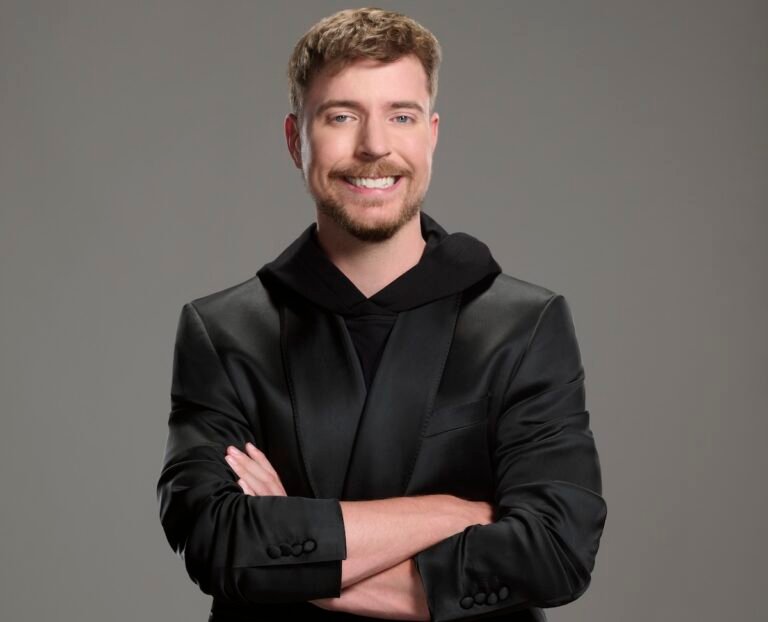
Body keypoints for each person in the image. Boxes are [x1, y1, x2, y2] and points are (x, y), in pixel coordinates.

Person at [156, 7, 607, 622]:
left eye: (401, 116)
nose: (374, 145)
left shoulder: (525, 325)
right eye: (342, 116)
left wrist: (287, 559)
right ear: (295, 140)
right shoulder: (222, 332)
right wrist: (452, 513)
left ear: (431, 134)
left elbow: (556, 550)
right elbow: (218, 544)